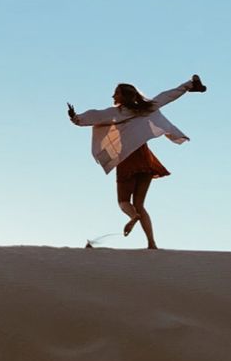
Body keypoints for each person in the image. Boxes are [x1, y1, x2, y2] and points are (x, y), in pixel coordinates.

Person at [68, 75, 206, 250]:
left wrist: (76, 118)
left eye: (116, 93)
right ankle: (152, 243)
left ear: (123, 97)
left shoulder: (116, 112)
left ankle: (133, 217)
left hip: (128, 158)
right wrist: (189, 85)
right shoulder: (147, 108)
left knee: (124, 202)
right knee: (140, 204)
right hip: (144, 157)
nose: (113, 96)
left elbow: (96, 115)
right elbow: (166, 96)